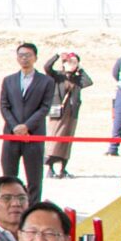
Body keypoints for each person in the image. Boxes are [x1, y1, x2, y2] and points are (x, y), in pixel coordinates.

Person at [0, 41, 53, 201]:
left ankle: (32, 209)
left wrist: (27, 126)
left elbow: (45, 107)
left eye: (28, 55)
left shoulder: (46, 81)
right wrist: (15, 127)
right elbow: (4, 105)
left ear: (35, 58)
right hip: (11, 135)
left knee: (34, 178)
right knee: (8, 177)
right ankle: (8, 206)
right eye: (21, 55)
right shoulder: (9, 80)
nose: (24, 59)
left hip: (33, 135)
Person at [42, 51, 93, 180]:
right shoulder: (57, 76)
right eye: (70, 62)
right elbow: (47, 67)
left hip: (72, 112)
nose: (72, 65)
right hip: (57, 111)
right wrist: (57, 55)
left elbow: (89, 81)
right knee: (55, 138)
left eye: (75, 62)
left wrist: (80, 69)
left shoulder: (77, 79)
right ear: (64, 64)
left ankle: (63, 168)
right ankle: (50, 168)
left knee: (67, 140)